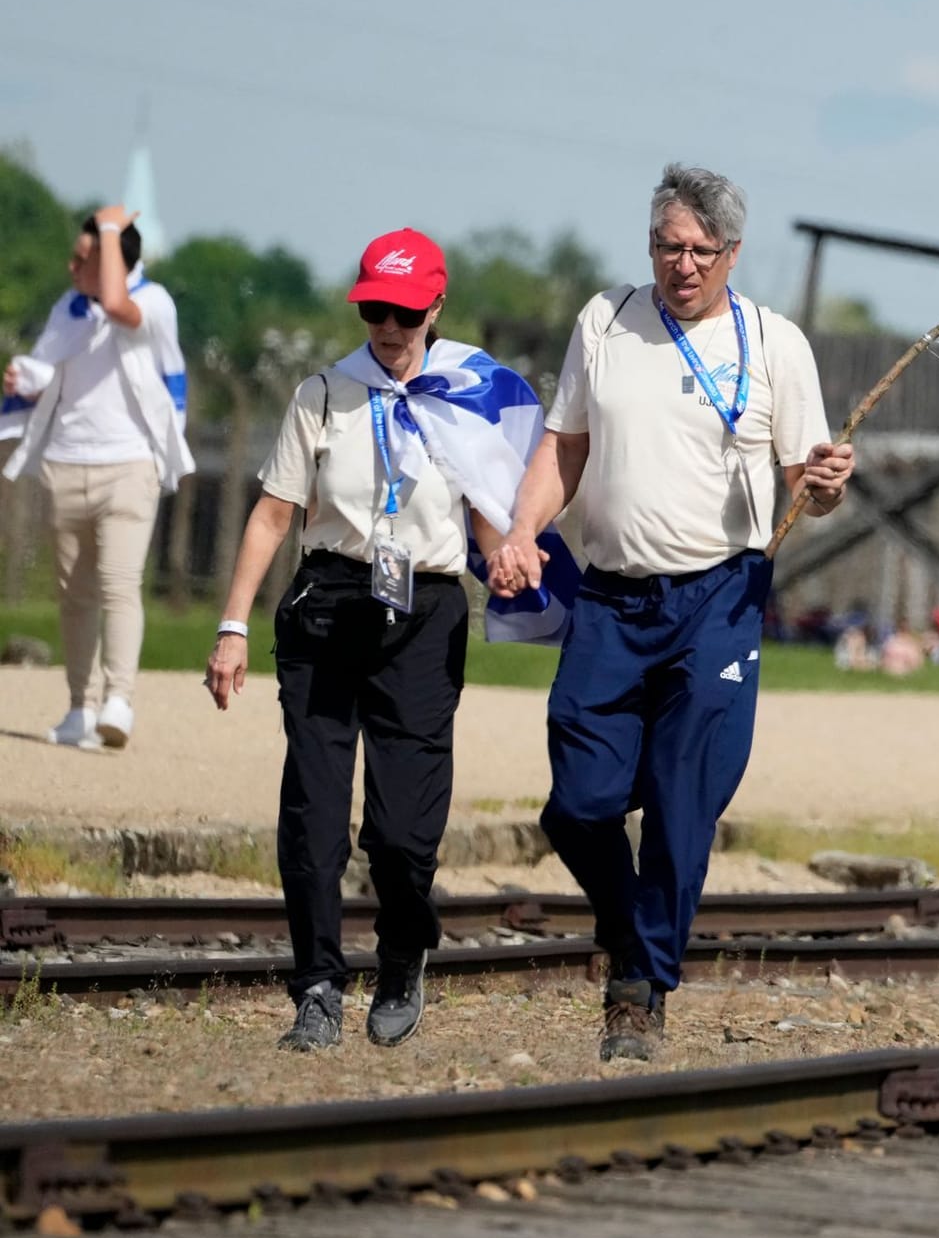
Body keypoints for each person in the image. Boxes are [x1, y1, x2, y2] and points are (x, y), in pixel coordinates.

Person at [487, 165, 853, 1062]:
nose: (680, 265)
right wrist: (523, 529)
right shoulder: (605, 321)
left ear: (732, 253)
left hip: (720, 599)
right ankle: (630, 932)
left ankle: (639, 992)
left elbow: (808, 481)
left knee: (683, 806)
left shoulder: (774, 342)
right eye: (665, 246)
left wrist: (825, 484)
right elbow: (563, 445)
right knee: (578, 804)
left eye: (698, 250)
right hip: (611, 598)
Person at [204, 228, 520, 1052]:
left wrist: (516, 570)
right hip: (328, 603)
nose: (388, 324)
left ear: (436, 309)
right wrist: (231, 627)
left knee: (403, 833)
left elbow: (491, 524)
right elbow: (274, 514)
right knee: (312, 811)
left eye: (406, 312)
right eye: (375, 307)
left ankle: (403, 953)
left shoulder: (464, 398)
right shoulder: (322, 394)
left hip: (427, 610)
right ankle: (315, 987)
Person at [3, 205, 193, 751]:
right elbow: (47, 367)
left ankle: (119, 699)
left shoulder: (152, 303)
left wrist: (109, 227)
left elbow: (116, 303)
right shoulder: (69, 308)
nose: (71, 267)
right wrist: (25, 377)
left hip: (129, 465)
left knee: (117, 585)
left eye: (84, 257)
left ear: (115, 257)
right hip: (65, 463)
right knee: (74, 595)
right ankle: (79, 708)